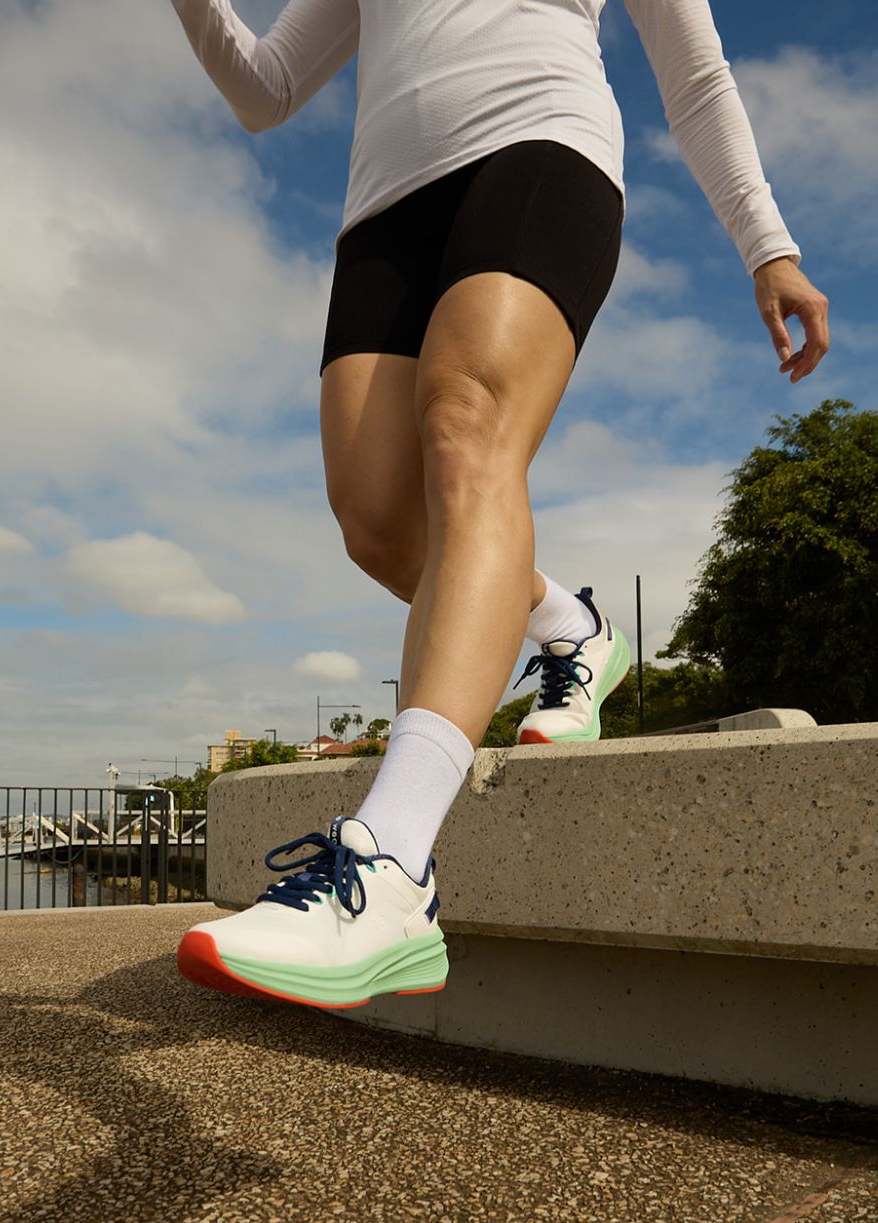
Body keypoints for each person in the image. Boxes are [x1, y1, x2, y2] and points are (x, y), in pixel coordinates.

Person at [170, 0, 830, 1008]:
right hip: (385, 211)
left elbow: (695, 76)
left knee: (466, 427)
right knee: (380, 524)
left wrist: (766, 244)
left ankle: (390, 867)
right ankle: (570, 626)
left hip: (537, 143)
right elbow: (266, 91)